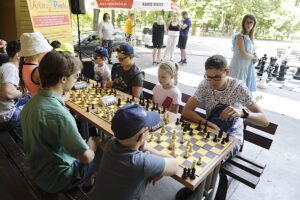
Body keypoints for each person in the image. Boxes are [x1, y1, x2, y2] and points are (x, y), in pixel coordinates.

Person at [182, 54, 269, 200]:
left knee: (210, 160)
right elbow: (186, 111)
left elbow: (265, 121)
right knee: (187, 149)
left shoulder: (238, 87)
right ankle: (195, 190)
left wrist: (243, 112)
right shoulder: (205, 84)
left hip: (232, 136)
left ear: (226, 72)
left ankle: (201, 194)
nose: (212, 82)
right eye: (208, 76)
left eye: (216, 77)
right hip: (211, 129)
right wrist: (206, 123)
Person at [20, 50, 103, 194]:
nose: (76, 80)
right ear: (63, 79)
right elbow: (86, 158)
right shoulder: (60, 115)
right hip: (57, 179)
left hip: (38, 170)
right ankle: (89, 188)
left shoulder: (30, 104)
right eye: (75, 76)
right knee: (102, 148)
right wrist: (93, 144)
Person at [97, 104, 178, 200]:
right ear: (142, 136)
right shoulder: (141, 162)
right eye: (149, 128)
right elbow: (174, 165)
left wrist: (155, 169)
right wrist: (148, 148)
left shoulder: (110, 143)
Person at [0, 40, 30, 129]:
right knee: (38, 109)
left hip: (6, 109)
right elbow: (8, 94)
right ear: (18, 55)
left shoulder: (6, 66)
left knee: (33, 98)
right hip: (8, 116)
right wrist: (25, 92)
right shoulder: (10, 68)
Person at [229, 14, 258, 92]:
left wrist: (255, 56)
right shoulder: (239, 36)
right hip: (238, 67)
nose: (249, 25)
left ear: (254, 24)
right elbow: (243, 53)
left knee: (242, 90)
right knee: (235, 89)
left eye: (251, 22)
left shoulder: (250, 36)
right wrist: (253, 57)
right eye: (247, 22)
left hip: (246, 66)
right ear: (243, 23)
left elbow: (251, 51)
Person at [19, 32, 53, 96]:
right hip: (43, 103)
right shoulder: (37, 71)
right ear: (37, 52)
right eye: (45, 51)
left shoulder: (24, 65)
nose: (47, 54)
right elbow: (48, 95)